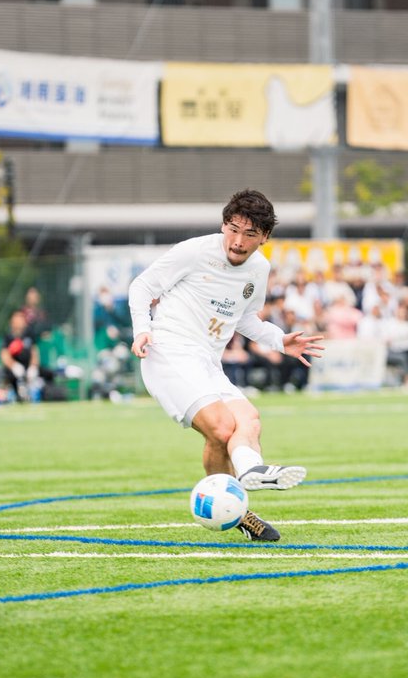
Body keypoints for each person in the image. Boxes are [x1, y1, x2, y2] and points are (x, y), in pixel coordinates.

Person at [128, 189, 324, 542]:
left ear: (264, 238)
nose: (237, 241)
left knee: (248, 419)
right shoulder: (195, 251)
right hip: (169, 351)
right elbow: (142, 287)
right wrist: (142, 329)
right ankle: (242, 491)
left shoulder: (259, 269)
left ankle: (247, 482)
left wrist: (280, 340)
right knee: (221, 427)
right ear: (224, 225)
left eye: (249, 234)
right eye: (233, 229)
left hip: (206, 361)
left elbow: (245, 318)